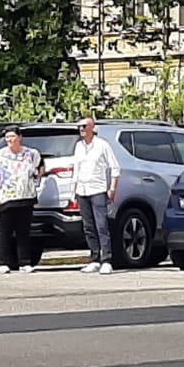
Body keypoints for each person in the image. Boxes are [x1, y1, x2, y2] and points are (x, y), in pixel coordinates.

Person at [0, 125, 43, 274]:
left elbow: (41, 166)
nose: (10, 140)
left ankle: (25, 262)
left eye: (12, 137)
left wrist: (37, 176)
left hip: (26, 196)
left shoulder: (31, 153)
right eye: (7, 138)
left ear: (19, 137)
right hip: (6, 198)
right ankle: (3, 262)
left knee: (23, 231)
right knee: (4, 231)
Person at [71, 116, 120, 274]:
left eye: (84, 126)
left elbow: (115, 167)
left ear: (92, 127)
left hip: (97, 189)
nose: (81, 129)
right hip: (82, 190)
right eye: (79, 127)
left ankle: (106, 260)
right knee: (88, 227)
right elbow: (76, 169)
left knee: (101, 225)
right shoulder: (78, 146)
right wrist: (74, 190)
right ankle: (94, 259)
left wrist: (112, 188)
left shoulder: (102, 145)